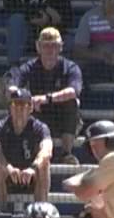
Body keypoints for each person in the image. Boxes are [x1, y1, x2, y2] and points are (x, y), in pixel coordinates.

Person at [8, 27, 83, 163]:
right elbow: (13, 87)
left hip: (61, 116)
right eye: (46, 46)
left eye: (54, 46)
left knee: (72, 103)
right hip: (38, 114)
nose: (50, 50)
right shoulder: (28, 67)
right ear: (38, 47)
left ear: (60, 47)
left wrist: (46, 99)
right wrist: (27, 100)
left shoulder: (70, 67)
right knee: (19, 106)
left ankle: (66, 153)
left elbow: (74, 91)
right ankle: (31, 154)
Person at [0, 88, 53, 212]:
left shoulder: (40, 128)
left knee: (44, 165)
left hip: (31, 178)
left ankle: (40, 214)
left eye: (23, 104)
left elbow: (47, 150)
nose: (19, 108)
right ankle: (2, 213)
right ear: (10, 108)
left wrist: (33, 168)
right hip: (8, 177)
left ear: (31, 108)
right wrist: (8, 168)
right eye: (15, 104)